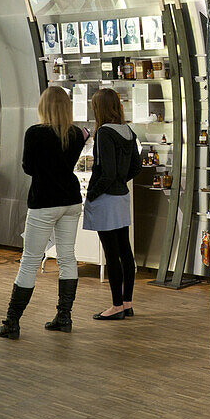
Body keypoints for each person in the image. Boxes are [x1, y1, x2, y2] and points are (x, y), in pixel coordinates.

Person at [0, 87, 89, 339]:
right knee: (67, 258)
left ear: (44, 106)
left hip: (44, 200)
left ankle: (12, 321)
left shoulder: (35, 133)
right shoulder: (77, 134)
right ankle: (64, 316)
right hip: (71, 200)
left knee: (30, 260)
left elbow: (28, 167)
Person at [83, 88, 141, 320]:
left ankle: (116, 305)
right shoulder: (128, 131)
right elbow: (135, 167)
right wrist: (120, 181)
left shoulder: (104, 133)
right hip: (121, 196)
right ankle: (127, 303)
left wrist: (93, 194)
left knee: (111, 253)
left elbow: (105, 172)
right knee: (125, 251)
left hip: (106, 199)